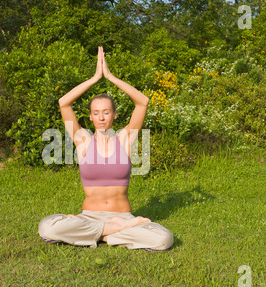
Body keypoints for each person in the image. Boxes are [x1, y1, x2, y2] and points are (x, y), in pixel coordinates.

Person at [38, 46, 173, 250]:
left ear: (115, 115)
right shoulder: (83, 140)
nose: (101, 117)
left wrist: (110, 77)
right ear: (90, 116)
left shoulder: (124, 140)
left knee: (164, 239)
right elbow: (64, 103)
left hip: (122, 215)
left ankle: (100, 233)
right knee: (47, 227)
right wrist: (94, 78)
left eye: (106, 112)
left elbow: (142, 102)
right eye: (96, 113)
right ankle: (114, 231)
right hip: (89, 217)